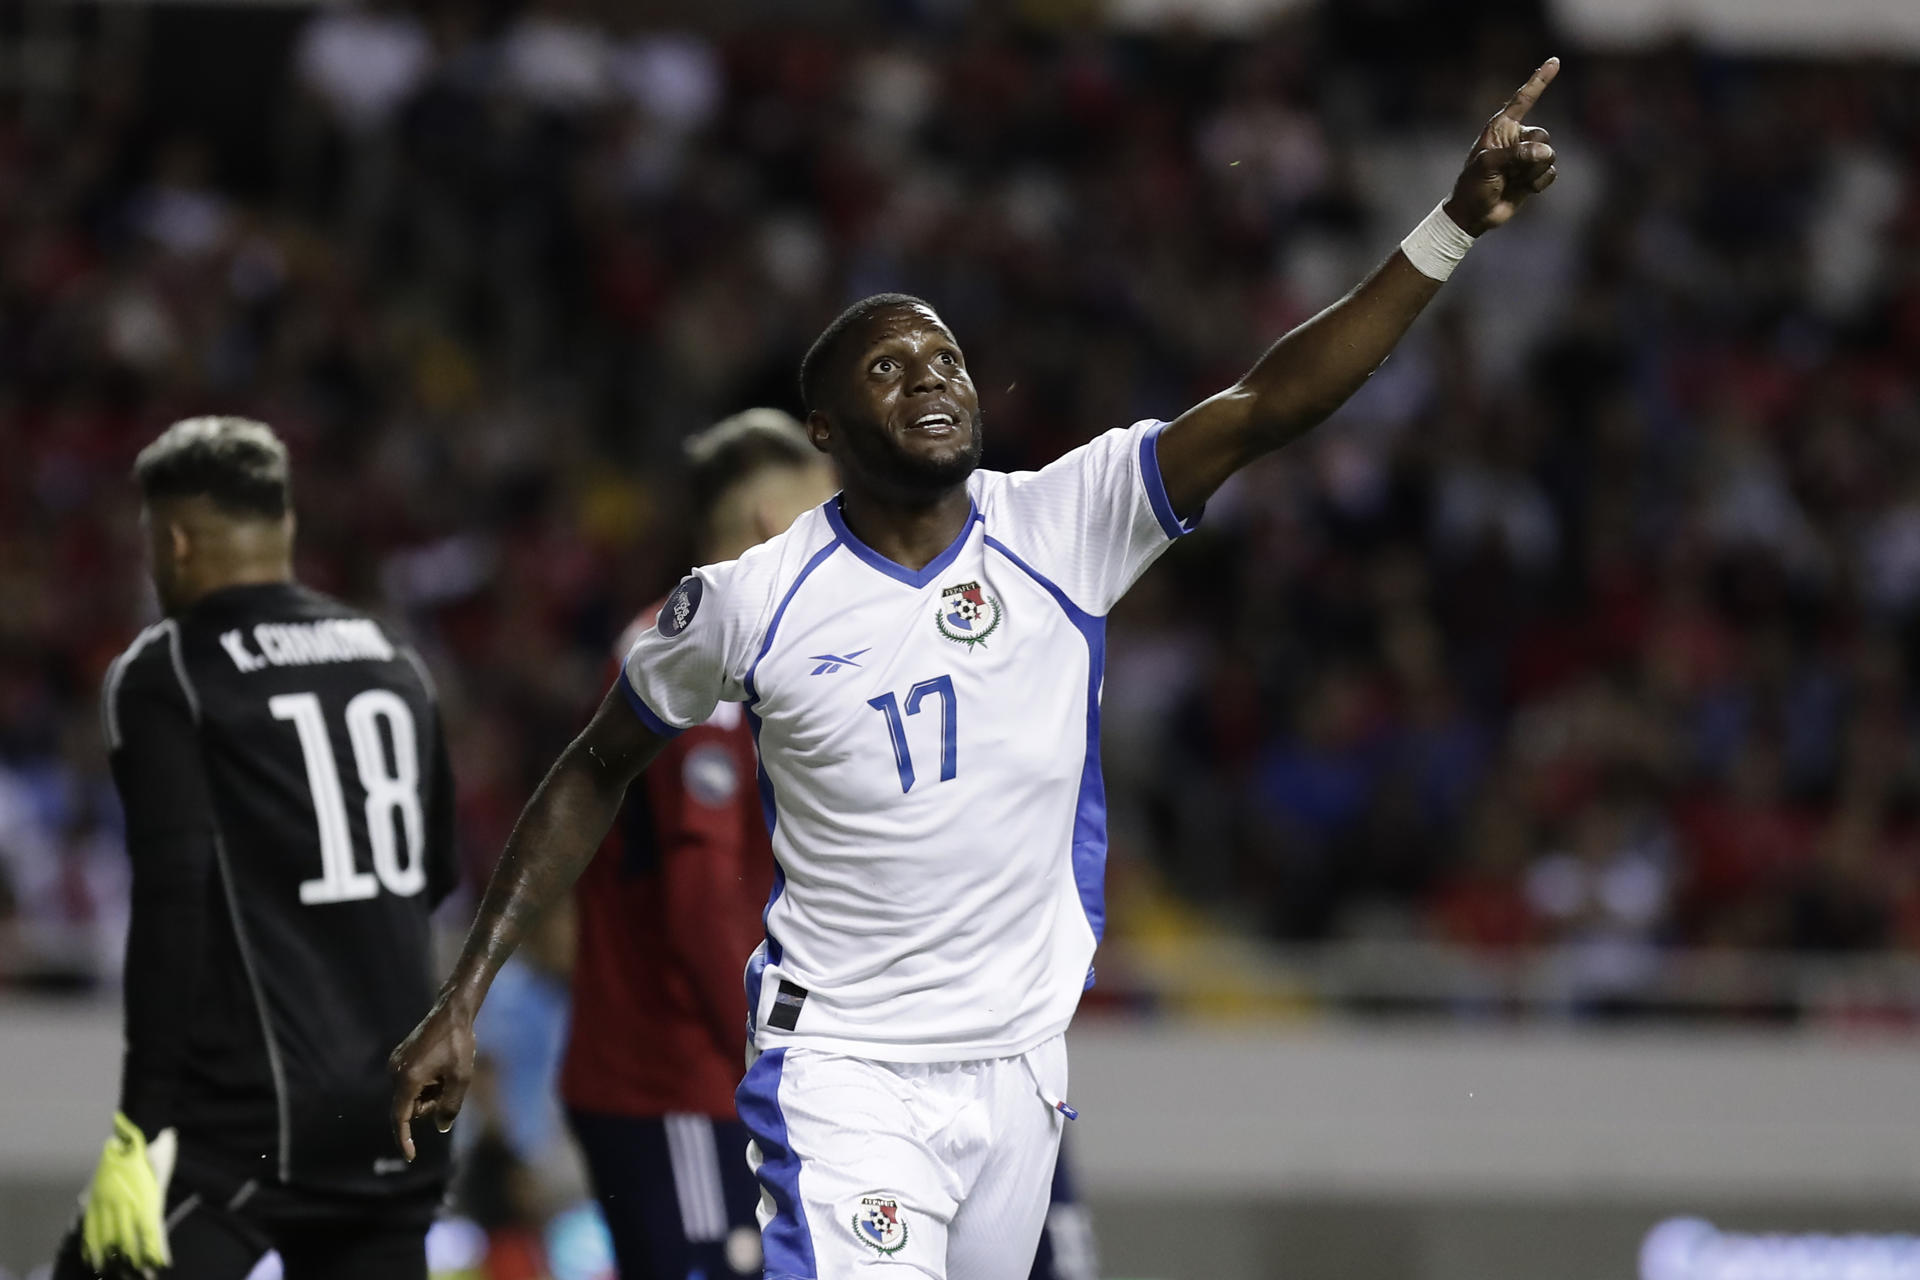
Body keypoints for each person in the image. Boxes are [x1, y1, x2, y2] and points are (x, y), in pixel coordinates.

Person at [393, 60, 1563, 1278]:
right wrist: (463, 990)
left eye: (944, 356)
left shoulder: (1067, 519)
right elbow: (593, 769)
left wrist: (1453, 225)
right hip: (845, 1068)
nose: (933, 377)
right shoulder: (749, 599)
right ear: (828, 434)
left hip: (1019, 1068)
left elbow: (1268, 402)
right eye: (890, 367)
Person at [58, 416, 457, 1280]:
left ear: (171, 541)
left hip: (252, 1124)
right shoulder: (395, 658)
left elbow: (172, 902)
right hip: (395, 1116)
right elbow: (434, 882)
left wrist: (140, 1123)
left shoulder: (171, 671)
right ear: (285, 527)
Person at [559, 409, 835, 1280]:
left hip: (706, 1071)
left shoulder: (752, 647)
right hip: (677, 1078)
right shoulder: (687, 649)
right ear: (768, 520)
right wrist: (773, 1065)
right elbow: (698, 899)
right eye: (826, 514)